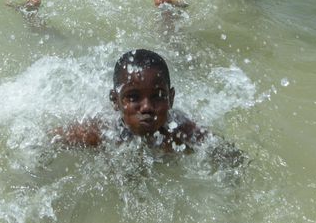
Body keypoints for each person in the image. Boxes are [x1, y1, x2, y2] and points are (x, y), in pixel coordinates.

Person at [53, 49, 205, 151]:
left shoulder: (182, 133)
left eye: (158, 96)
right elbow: (49, 139)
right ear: (115, 101)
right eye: (133, 97)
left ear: (171, 99)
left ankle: (169, 17)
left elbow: (222, 152)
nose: (147, 107)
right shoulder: (98, 133)